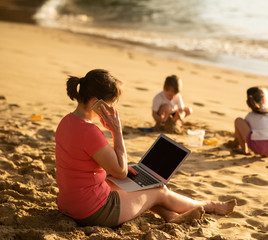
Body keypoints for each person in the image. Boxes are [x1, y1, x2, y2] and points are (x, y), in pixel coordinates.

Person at [55, 69, 236, 228]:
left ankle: (170, 216)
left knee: (139, 187)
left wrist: (114, 174)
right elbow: (119, 170)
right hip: (93, 211)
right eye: (110, 104)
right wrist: (117, 131)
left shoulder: (66, 122)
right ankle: (210, 205)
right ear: (96, 102)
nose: (111, 109)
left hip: (69, 204)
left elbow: (82, 165)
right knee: (159, 190)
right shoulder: (90, 132)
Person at [232, 86, 268, 156]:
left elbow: (243, 131)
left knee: (238, 121)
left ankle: (244, 150)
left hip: (257, 146)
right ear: (264, 100)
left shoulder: (250, 116)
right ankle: (266, 153)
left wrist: (236, 135)